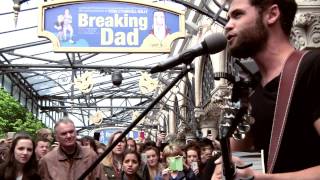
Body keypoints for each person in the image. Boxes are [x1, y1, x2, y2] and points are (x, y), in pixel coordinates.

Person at [212, 0, 320, 179]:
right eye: (227, 18)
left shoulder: (313, 68)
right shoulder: (250, 91)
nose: (227, 26)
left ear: (272, 14)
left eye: (237, 15)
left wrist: (263, 178)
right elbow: (235, 154)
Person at [39, 118, 106, 180]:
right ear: (56, 137)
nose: (69, 136)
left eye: (71, 132)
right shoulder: (47, 160)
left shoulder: (90, 155)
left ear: (75, 133)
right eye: (64, 133)